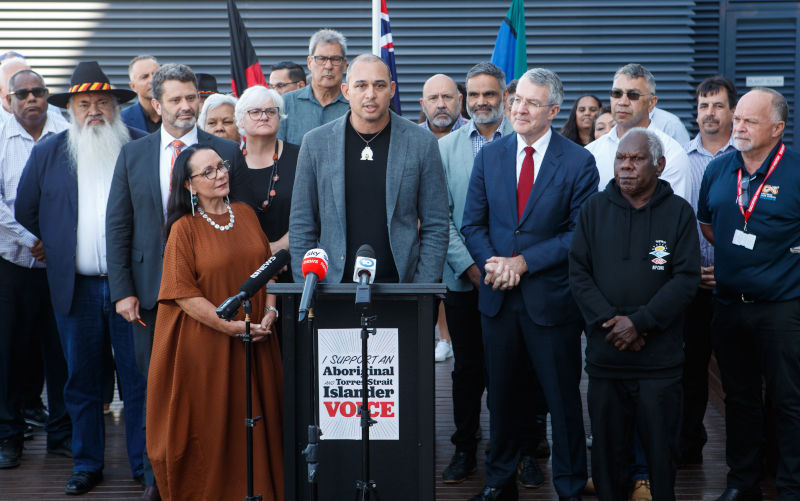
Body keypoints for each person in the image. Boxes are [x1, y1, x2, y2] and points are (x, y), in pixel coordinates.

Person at [106, 62, 248, 501]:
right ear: (155, 104)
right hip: (152, 297)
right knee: (158, 390)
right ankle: (158, 478)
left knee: (211, 389)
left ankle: (216, 474)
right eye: (176, 99)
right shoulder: (133, 153)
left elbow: (238, 221)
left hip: (213, 296)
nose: (186, 106)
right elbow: (118, 225)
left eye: (192, 97)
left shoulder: (226, 149)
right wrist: (123, 290)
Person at [461, 68, 597, 501]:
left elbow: (578, 234)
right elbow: (472, 224)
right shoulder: (490, 155)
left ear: (554, 111)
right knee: (500, 398)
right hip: (498, 299)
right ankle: (499, 482)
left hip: (551, 303)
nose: (518, 108)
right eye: (516, 99)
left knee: (561, 400)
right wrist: (496, 265)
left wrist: (522, 263)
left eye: (531, 103)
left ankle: (571, 485)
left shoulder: (579, 161)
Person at [14, 60, 148, 496]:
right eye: (84, 103)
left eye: (103, 103)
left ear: (116, 107)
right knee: (81, 383)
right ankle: (87, 463)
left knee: (138, 380)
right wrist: (54, 241)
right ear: (70, 108)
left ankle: (144, 464)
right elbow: (26, 210)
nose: (94, 111)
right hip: (76, 289)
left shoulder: (140, 146)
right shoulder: (48, 152)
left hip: (133, 289)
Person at [569, 128, 700, 501]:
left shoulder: (678, 213)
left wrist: (639, 323)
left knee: (661, 456)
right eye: (621, 160)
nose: (626, 167)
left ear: (658, 165)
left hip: (659, 363)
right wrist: (612, 322)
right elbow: (578, 273)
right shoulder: (593, 210)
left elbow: (687, 278)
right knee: (608, 460)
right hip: (607, 359)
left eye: (636, 159)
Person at [146, 144, 283, 501]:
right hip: (209, 345)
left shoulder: (246, 213)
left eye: (220, 166)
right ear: (189, 186)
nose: (219, 174)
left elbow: (268, 271)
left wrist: (271, 312)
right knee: (215, 427)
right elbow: (183, 294)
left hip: (258, 339)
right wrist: (231, 327)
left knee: (258, 424)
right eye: (207, 172)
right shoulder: (183, 229)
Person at [698, 87, 800, 501]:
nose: (737, 126)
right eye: (737, 118)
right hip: (728, 305)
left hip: (781, 309)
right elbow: (709, 224)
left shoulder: (794, 172)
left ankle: (792, 486)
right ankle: (742, 481)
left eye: (749, 121)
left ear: (777, 128)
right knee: (738, 398)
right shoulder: (720, 170)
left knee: (788, 400)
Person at [289, 54, 448, 284]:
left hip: (402, 288)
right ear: (346, 91)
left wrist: (422, 289)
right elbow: (301, 223)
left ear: (392, 89)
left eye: (379, 85)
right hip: (331, 289)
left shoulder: (422, 143)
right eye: (361, 85)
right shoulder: (315, 143)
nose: (370, 94)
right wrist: (308, 287)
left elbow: (436, 224)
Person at [438, 61, 516, 485]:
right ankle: (465, 448)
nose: (482, 101)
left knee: (518, 368)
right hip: (464, 279)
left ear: (504, 95)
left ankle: (520, 450)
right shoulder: (445, 148)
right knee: (468, 370)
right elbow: (439, 216)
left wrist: (508, 268)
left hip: (516, 278)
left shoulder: (523, 141)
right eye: (475, 95)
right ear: (466, 99)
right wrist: (469, 267)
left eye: (490, 93)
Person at [0, 68, 71, 469]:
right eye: (22, 93)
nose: (31, 99)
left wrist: (55, 244)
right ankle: (9, 437)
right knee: (8, 354)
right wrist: (32, 240)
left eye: (38, 92)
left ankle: (62, 434)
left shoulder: (65, 134)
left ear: (47, 96)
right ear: (8, 100)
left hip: (59, 266)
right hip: (11, 264)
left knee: (61, 352)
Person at [681, 75, 738, 466]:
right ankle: (687, 449)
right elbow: (664, 230)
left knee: (737, 377)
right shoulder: (679, 157)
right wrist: (676, 268)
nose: (710, 113)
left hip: (736, 286)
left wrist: (730, 269)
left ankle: (744, 458)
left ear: (733, 111)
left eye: (718, 105)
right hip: (689, 286)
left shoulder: (748, 159)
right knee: (689, 374)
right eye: (703, 106)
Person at [586, 63, 692, 202]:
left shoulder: (671, 153)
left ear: (651, 103)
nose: (623, 102)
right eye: (617, 93)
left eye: (633, 95)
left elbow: (675, 216)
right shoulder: (591, 153)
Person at [234, 85, 298, 275]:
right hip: (242, 263)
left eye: (271, 111)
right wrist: (258, 253)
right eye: (255, 112)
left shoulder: (301, 156)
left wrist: (280, 247)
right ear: (240, 120)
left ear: (280, 117)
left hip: (292, 262)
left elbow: (313, 212)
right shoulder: (227, 162)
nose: (264, 117)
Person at [278, 29, 350, 145]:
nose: (328, 66)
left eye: (335, 59)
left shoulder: (354, 104)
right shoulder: (287, 103)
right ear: (309, 63)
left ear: (345, 64)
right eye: (321, 59)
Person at [0, 56, 68, 128]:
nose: (31, 98)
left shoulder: (51, 111)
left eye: (36, 91)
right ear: (1, 91)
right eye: (21, 92)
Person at [418, 73, 468, 138]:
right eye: (433, 98)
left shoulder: (478, 132)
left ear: (459, 100)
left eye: (447, 97)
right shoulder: (410, 135)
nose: (441, 105)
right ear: (423, 105)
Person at [121, 55, 161, 133]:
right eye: (144, 77)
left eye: (156, 74)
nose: (152, 80)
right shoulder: (123, 120)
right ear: (133, 86)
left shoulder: (177, 113)